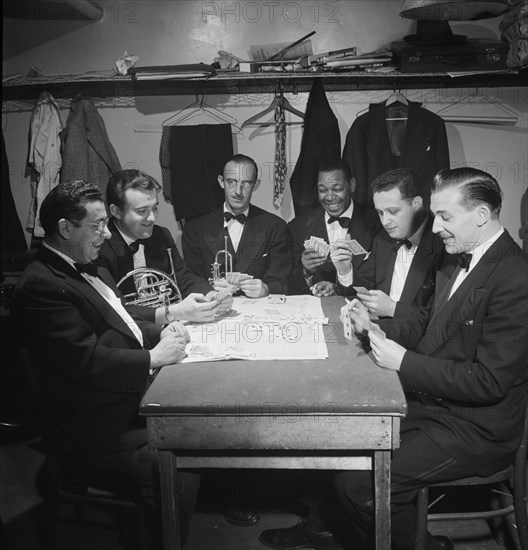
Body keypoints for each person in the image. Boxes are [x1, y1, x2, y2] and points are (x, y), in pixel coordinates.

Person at [260, 167, 528, 550]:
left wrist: (402, 360)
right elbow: (425, 321)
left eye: (446, 217)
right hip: (435, 405)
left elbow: (488, 382)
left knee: (358, 485)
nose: (435, 228)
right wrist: (375, 328)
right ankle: (331, 526)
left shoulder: (517, 277)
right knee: (343, 439)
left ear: (481, 216)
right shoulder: (459, 256)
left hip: (476, 429)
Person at [11, 180, 199, 549]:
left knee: (196, 418)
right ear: (65, 228)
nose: (104, 233)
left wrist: (156, 332)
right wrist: (153, 358)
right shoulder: (41, 286)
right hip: (88, 425)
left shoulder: (84, 264)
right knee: (186, 464)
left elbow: (120, 321)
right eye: (96, 225)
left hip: (110, 399)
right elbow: (86, 360)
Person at [96, 169, 232, 325]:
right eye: (142, 211)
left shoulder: (161, 236)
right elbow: (114, 309)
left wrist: (210, 294)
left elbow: (183, 277)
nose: (152, 218)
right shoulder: (99, 247)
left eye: (154, 208)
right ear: (116, 212)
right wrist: (173, 312)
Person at [182, 154, 291, 298]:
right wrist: (209, 290)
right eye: (231, 182)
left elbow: (283, 281)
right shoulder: (195, 229)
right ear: (221, 182)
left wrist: (266, 289)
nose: (238, 191)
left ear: (256, 185)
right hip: (213, 311)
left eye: (246, 183)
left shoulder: (276, 227)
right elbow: (189, 279)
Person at [347, 167, 446, 318]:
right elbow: (365, 286)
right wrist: (345, 271)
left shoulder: (445, 245)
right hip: (377, 329)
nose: (385, 222)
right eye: (380, 213)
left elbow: (442, 317)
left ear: (417, 204)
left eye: (393, 211)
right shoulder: (382, 238)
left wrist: (393, 309)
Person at [288, 160, 380, 297]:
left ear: (352, 185)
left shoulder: (376, 223)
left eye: (337, 189)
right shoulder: (298, 226)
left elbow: (380, 283)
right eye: (323, 190)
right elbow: (286, 283)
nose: (330, 197)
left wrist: (339, 287)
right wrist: (306, 271)